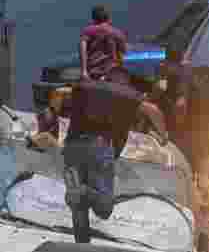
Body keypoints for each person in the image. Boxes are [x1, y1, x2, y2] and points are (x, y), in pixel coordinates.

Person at [60, 78, 168, 243]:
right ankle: (83, 191)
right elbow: (152, 110)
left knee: (79, 205)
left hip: (71, 147)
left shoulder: (93, 90)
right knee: (104, 208)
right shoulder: (129, 96)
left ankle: (82, 246)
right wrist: (163, 135)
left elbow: (60, 94)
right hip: (97, 146)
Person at [80, 5, 127, 83]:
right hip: (112, 73)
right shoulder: (118, 33)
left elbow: (82, 51)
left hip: (93, 72)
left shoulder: (87, 31)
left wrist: (84, 71)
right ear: (108, 18)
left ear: (93, 18)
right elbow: (122, 53)